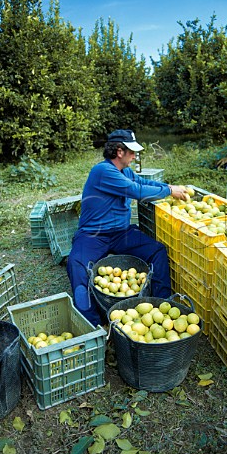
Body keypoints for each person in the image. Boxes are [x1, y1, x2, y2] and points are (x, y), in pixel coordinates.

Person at [67, 129, 188, 326]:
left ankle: (161, 304)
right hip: (93, 235)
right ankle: (94, 325)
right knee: (76, 265)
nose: (134, 156)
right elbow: (135, 190)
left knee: (157, 251)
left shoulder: (126, 171)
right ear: (119, 151)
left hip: (121, 233)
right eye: (131, 151)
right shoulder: (102, 171)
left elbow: (141, 182)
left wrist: (170, 187)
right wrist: (168, 191)